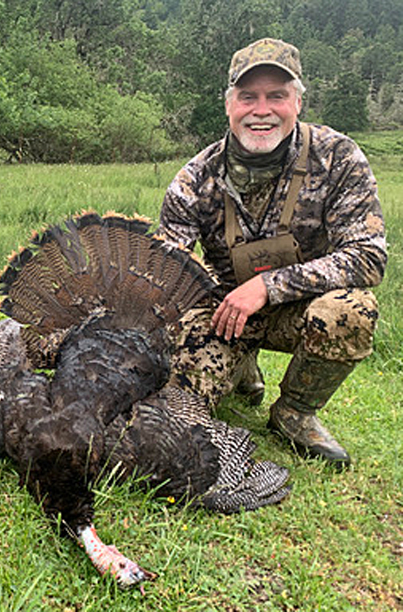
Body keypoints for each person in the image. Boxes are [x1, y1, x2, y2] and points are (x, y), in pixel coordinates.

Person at [158, 38, 386, 468]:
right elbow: (167, 271)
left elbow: (368, 256)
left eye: (276, 96)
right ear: (230, 105)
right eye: (248, 97)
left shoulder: (338, 157)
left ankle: (295, 411)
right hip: (226, 314)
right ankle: (240, 366)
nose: (261, 110)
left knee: (352, 310)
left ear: (297, 102)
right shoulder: (194, 179)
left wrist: (267, 286)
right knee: (174, 414)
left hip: (300, 309)